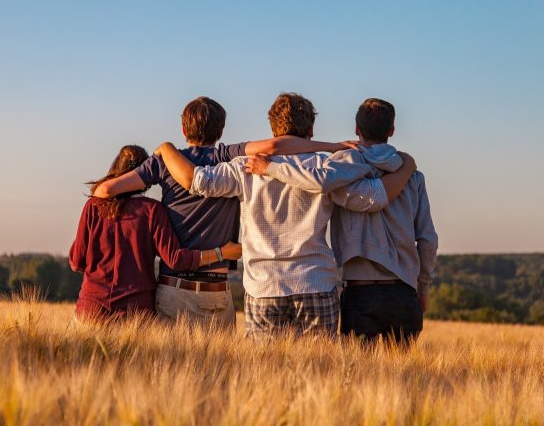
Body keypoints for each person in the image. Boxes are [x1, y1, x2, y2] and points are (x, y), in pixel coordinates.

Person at [153, 93, 417, 339]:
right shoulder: (326, 167)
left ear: (273, 129)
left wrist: (166, 149)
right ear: (311, 130)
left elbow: (197, 181)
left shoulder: (244, 167)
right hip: (316, 282)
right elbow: (372, 198)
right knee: (318, 374)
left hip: (264, 286)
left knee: (264, 375)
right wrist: (406, 168)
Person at [92, 96, 356, 327]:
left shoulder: (164, 162)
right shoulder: (227, 156)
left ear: (184, 128)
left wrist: (149, 197)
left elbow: (104, 192)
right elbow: (275, 147)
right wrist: (332, 147)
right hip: (217, 289)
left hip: (173, 287)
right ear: (221, 130)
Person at [247, 98, 438, 345]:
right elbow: (427, 239)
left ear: (357, 130)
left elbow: (318, 181)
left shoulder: (341, 168)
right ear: (391, 130)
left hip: (360, 292)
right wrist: (423, 287)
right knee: (403, 379)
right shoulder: (413, 176)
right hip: (404, 292)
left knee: (358, 378)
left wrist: (271, 168)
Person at [69, 145, 242, 323]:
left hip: (91, 309)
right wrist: (221, 253)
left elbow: (76, 262)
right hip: (136, 313)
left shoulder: (93, 206)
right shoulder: (152, 210)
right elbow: (175, 259)